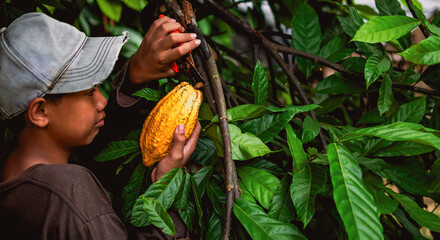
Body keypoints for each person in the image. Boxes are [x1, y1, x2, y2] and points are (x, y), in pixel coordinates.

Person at [0, 12, 201, 239]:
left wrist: (134, 78)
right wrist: (167, 194)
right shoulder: (68, 190)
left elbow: (94, 157)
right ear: (40, 112)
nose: (101, 101)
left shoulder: (15, 172)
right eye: (89, 92)